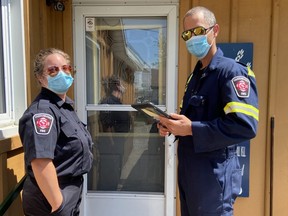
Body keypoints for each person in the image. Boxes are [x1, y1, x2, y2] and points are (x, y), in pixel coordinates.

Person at [157, 6, 259, 216]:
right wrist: (171, 126)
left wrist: (191, 129)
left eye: (198, 31)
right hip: (189, 174)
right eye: (187, 34)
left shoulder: (231, 72)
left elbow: (245, 126)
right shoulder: (194, 77)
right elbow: (191, 120)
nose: (192, 38)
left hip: (214, 178)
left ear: (215, 30)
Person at [19, 48, 93, 216]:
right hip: (51, 197)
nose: (62, 73)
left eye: (66, 68)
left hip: (69, 190)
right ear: (40, 77)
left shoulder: (64, 107)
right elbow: (40, 162)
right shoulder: (42, 112)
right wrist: (58, 205)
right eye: (53, 70)